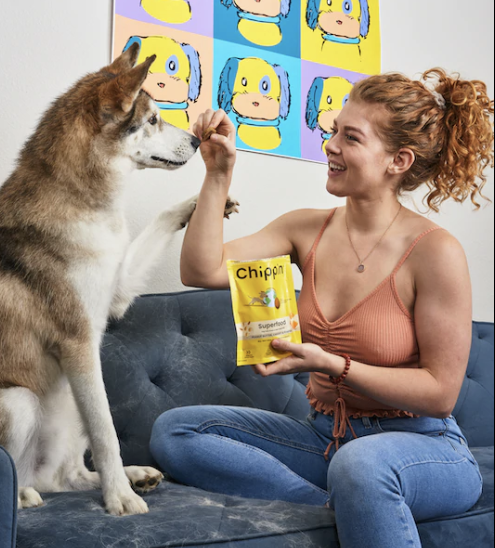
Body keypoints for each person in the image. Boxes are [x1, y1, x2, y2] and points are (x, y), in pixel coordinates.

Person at [150, 68, 494, 547]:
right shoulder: (305, 228)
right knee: (177, 430)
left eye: (350, 137)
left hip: (425, 447)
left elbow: (439, 394)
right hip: (326, 438)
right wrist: (218, 174)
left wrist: (332, 364)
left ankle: (359, 491)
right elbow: (202, 270)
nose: (330, 145)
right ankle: (337, 505)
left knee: (362, 465)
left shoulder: (435, 252)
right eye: (333, 130)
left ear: (398, 160)